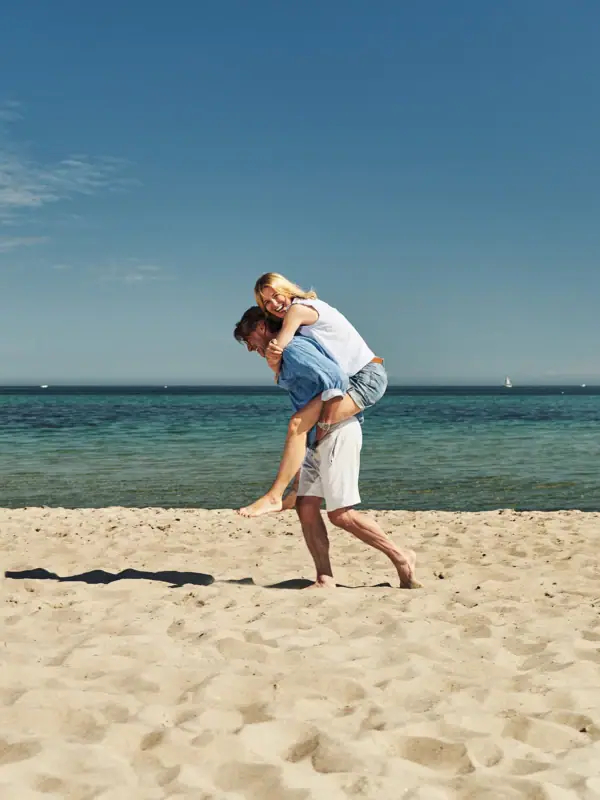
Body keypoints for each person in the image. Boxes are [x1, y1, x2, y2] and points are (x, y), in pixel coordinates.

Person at [233, 306, 418, 589]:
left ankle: (402, 556)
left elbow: (336, 379)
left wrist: (327, 423)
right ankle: (324, 578)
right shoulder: (287, 354)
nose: (250, 349)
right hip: (316, 438)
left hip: (337, 431)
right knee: (306, 507)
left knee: (341, 515)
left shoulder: (293, 348)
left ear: (260, 327)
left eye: (248, 341)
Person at [238, 272, 387, 517]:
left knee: (300, 424)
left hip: (366, 377)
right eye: (267, 303)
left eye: (277, 296)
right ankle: (294, 492)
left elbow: (279, 346)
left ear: (288, 289)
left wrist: (274, 361)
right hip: (359, 377)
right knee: (306, 430)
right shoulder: (300, 324)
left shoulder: (298, 311)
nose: (274, 304)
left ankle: (275, 495)